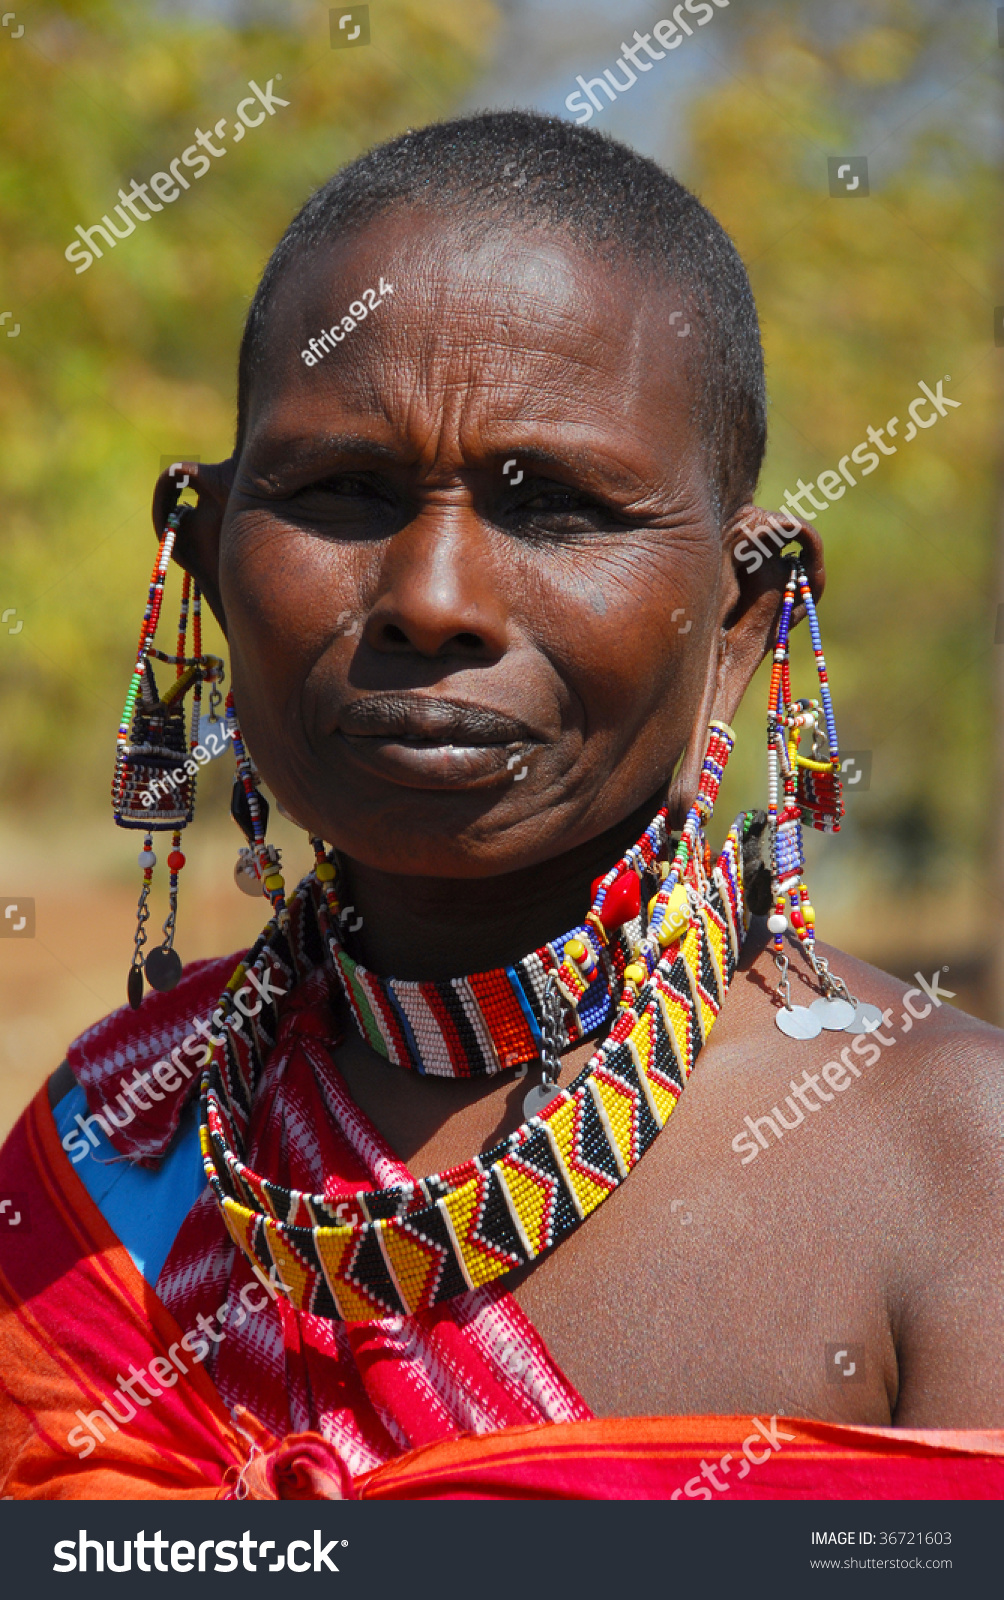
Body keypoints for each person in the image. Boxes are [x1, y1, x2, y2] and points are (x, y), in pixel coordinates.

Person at [1, 110, 1002, 1502]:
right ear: (210, 566)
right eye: (343, 492)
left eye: (557, 507)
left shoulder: (956, 1162)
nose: (433, 599)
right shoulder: (109, 1155)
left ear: (743, 626)